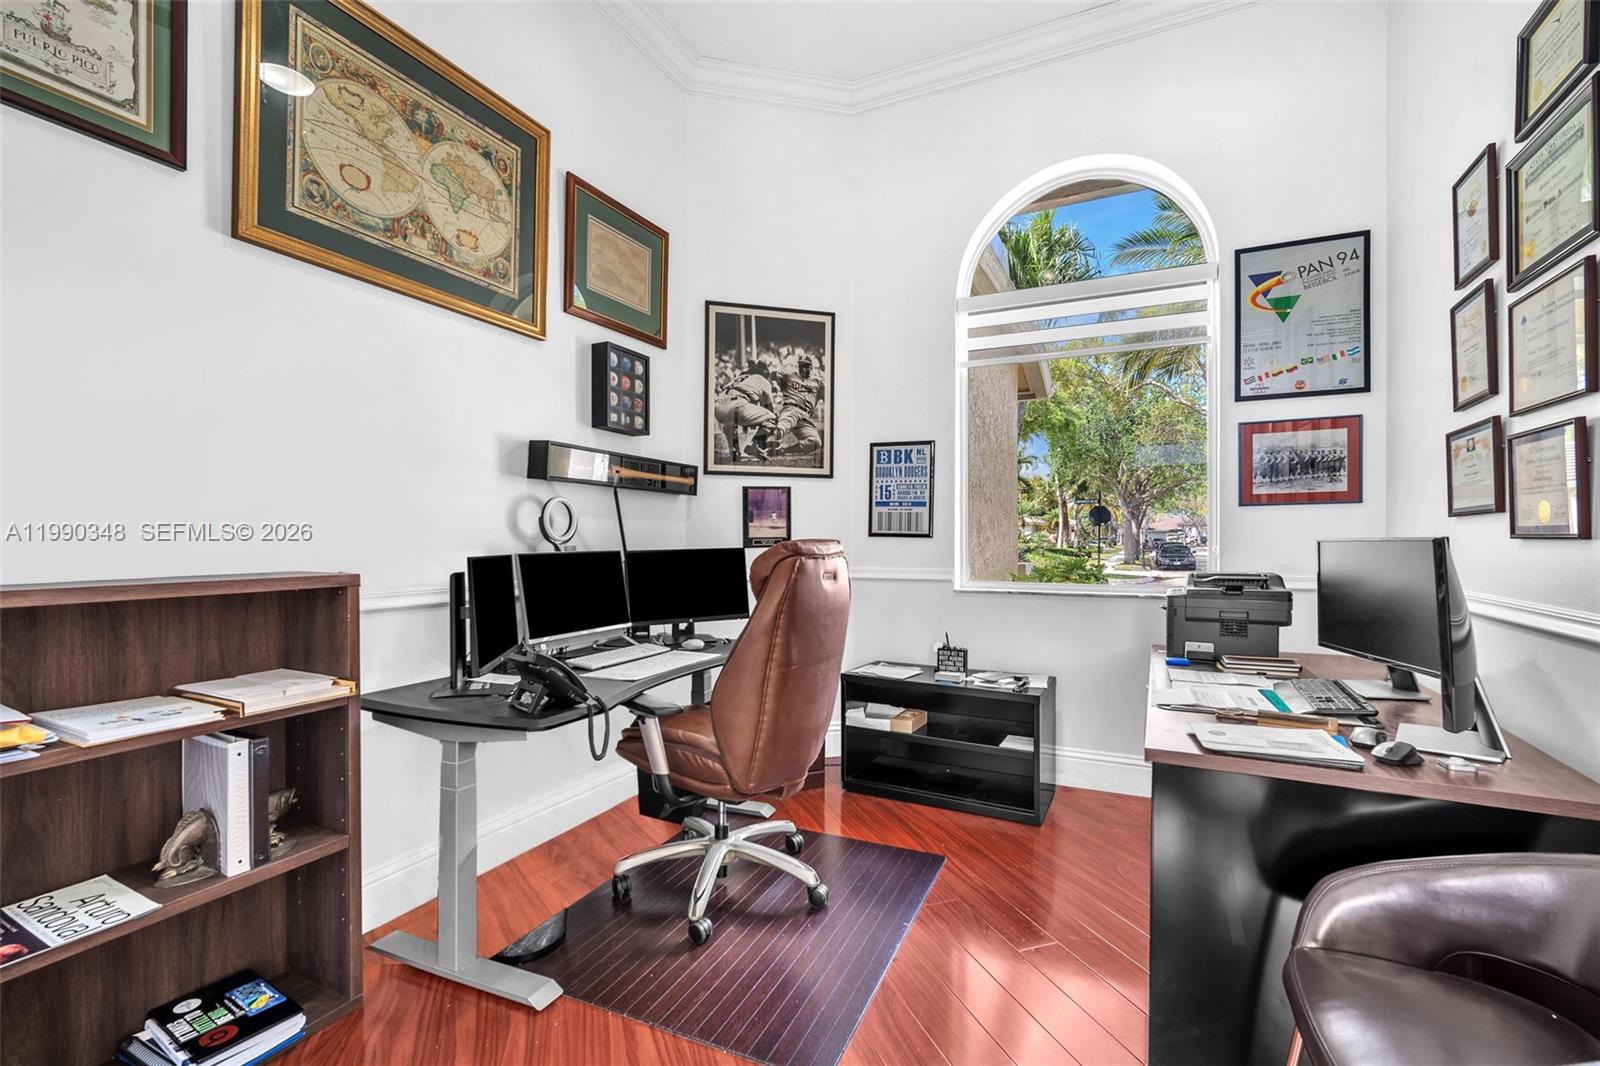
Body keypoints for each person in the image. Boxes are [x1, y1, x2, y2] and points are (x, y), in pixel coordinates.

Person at [713, 356, 778, 462]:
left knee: (731, 421)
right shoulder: (764, 381)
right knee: (772, 419)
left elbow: (723, 388)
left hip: (717, 408)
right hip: (737, 405)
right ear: (766, 373)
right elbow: (770, 408)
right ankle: (752, 445)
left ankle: (734, 451)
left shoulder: (741, 378)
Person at [771, 350, 824, 462]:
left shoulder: (818, 382)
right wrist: (775, 383)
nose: (803, 369)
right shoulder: (790, 375)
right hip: (791, 409)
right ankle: (761, 444)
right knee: (781, 428)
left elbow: (830, 397)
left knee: (816, 442)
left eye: (806, 366)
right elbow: (772, 374)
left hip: (805, 417)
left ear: (811, 368)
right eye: (801, 366)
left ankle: (784, 450)